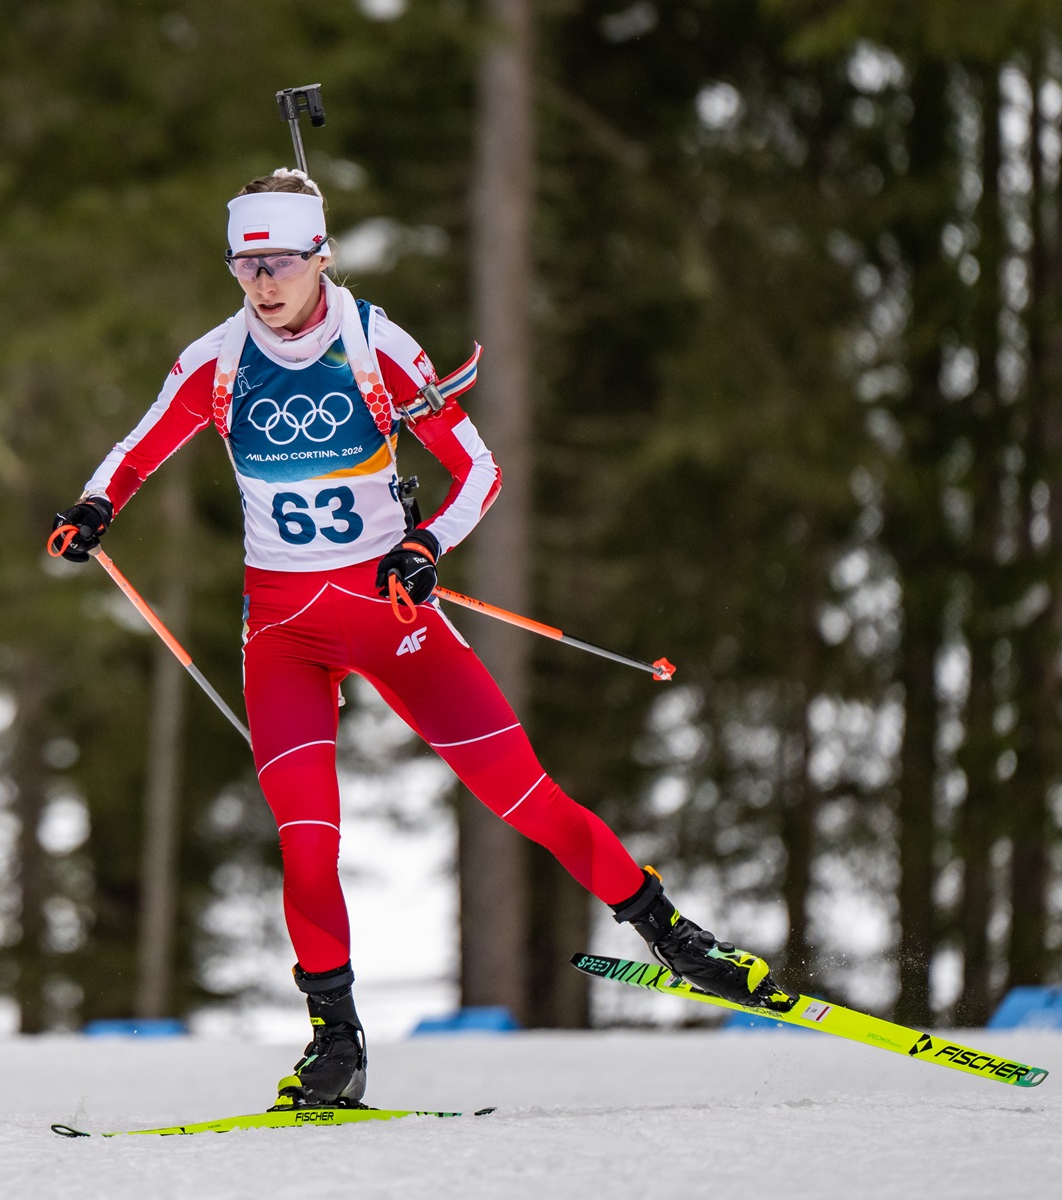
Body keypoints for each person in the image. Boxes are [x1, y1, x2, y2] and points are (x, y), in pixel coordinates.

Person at [51, 169, 789, 1108]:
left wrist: (425, 545)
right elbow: (140, 444)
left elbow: (477, 468)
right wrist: (94, 507)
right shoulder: (216, 360)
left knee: (523, 795)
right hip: (281, 632)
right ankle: (335, 1043)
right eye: (244, 266)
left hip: (389, 615)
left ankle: (676, 939)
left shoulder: (375, 345)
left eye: (281, 263)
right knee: (306, 841)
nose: (262, 284)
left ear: (320, 256)